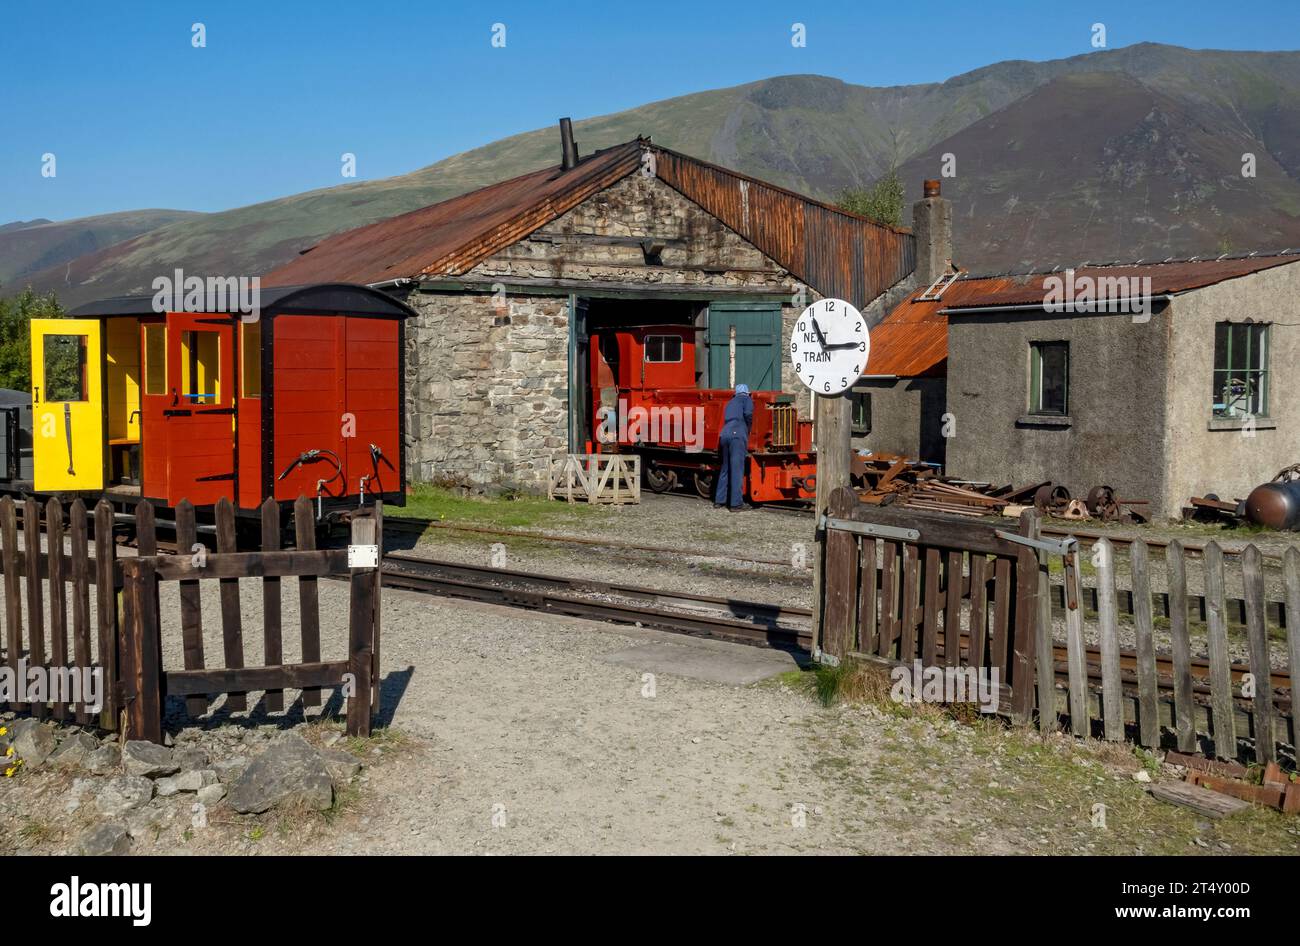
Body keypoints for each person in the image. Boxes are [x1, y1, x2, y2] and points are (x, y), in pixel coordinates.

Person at [714, 383, 753, 511]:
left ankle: (719, 501)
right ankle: (736, 504)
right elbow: (748, 413)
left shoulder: (730, 402)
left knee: (725, 468)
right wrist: (748, 428)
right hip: (738, 434)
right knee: (737, 469)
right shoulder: (747, 400)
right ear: (747, 393)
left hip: (725, 434)